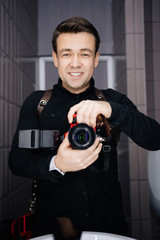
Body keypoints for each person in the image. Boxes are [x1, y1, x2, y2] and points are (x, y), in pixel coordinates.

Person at [8, 17, 160, 239]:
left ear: (96, 59)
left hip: (108, 227)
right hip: (52, 228)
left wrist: (112, 109)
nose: (76, 63)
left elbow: (155, 138)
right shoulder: (37, 103)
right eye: (67, 53)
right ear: (55, 59)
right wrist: (56, 164)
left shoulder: (113, 100)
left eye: (85, 54)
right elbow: (17, 161)